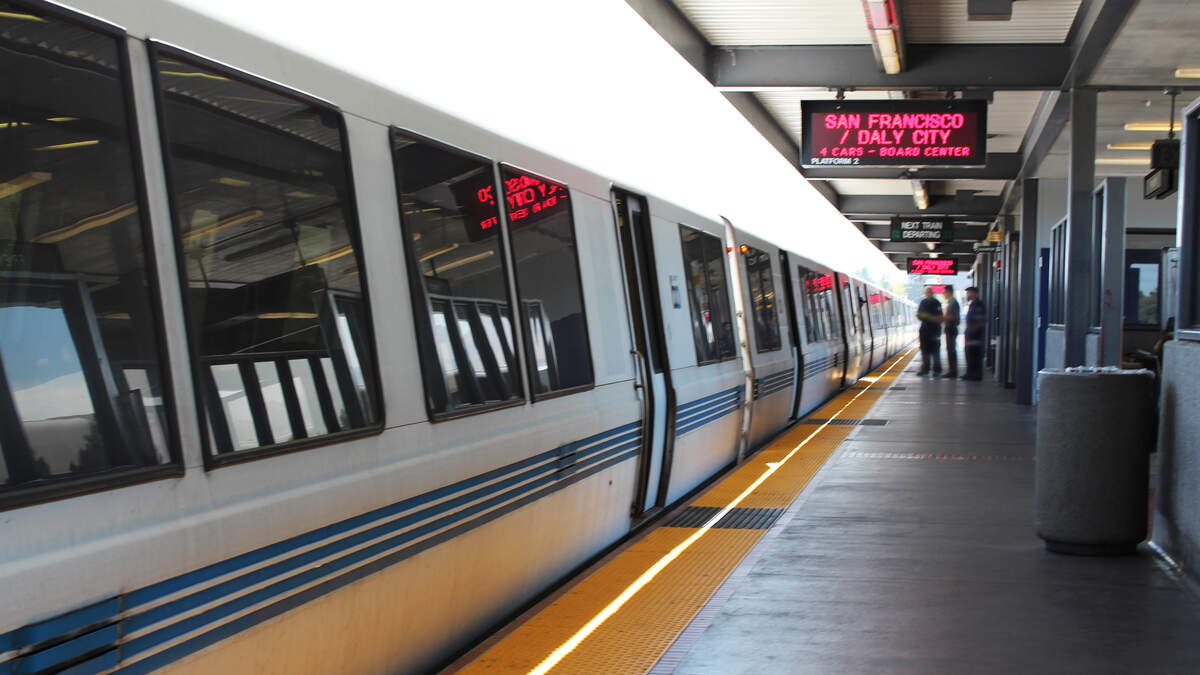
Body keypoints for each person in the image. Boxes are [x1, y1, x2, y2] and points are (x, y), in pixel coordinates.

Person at [916, 286, 942, 376]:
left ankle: (937, 370)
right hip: (924, 330)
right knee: (924, 351)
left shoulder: (936, 303)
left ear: (932, 293)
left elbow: (939, 317)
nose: (927, 293)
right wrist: (930, 317)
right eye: (926, 292)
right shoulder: (923, 302)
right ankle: (925, 369)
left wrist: (927, 316)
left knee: (935, 351)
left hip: (934, 330)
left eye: (929, 292)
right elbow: (919, 315)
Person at [963, 286, 985, 381]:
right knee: (969, 355)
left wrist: (972, 332)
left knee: (975, 355)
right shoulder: (972, 304)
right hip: (970, 335)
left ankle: (976, 375)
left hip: (975, 335)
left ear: (975, 294)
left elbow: (979, 321)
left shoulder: (979, 305)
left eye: (969, 293)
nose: (967, 294)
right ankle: (970, 373)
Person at [941, 285, 960, 378]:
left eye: (944, 293)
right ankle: (952, 371)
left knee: (951, 350)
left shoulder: (953, 303)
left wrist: (943, 317)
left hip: (951, 329)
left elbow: (955, 317)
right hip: (950, 329)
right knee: (950, 350)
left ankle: (953, 372)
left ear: (949, 292)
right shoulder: (951, 302)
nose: (943, 295)